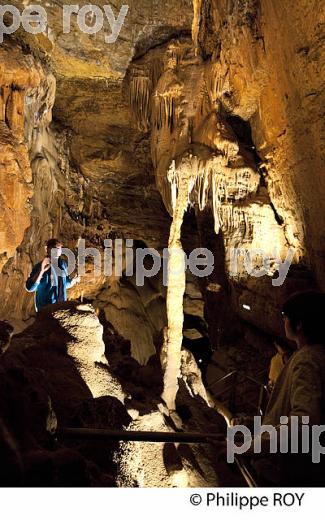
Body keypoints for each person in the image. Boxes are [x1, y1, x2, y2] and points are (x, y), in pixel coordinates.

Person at [248, 290, 325, 485]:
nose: (283, 322)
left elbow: (304, 420)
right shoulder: (316, 354)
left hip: (296, 469)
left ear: (299, 324)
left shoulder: (307, 360)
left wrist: (256, 446)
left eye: (285, 317)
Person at [25, 238, 81, 312]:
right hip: (45, 310)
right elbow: (30, 288)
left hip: (61, 308)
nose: (57, 251)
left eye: (59, 249)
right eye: (54, 248)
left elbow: (63, 284)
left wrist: (73, 281)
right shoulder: (39, 267)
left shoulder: (63, 264)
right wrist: (41, 271)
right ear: (47, 249)